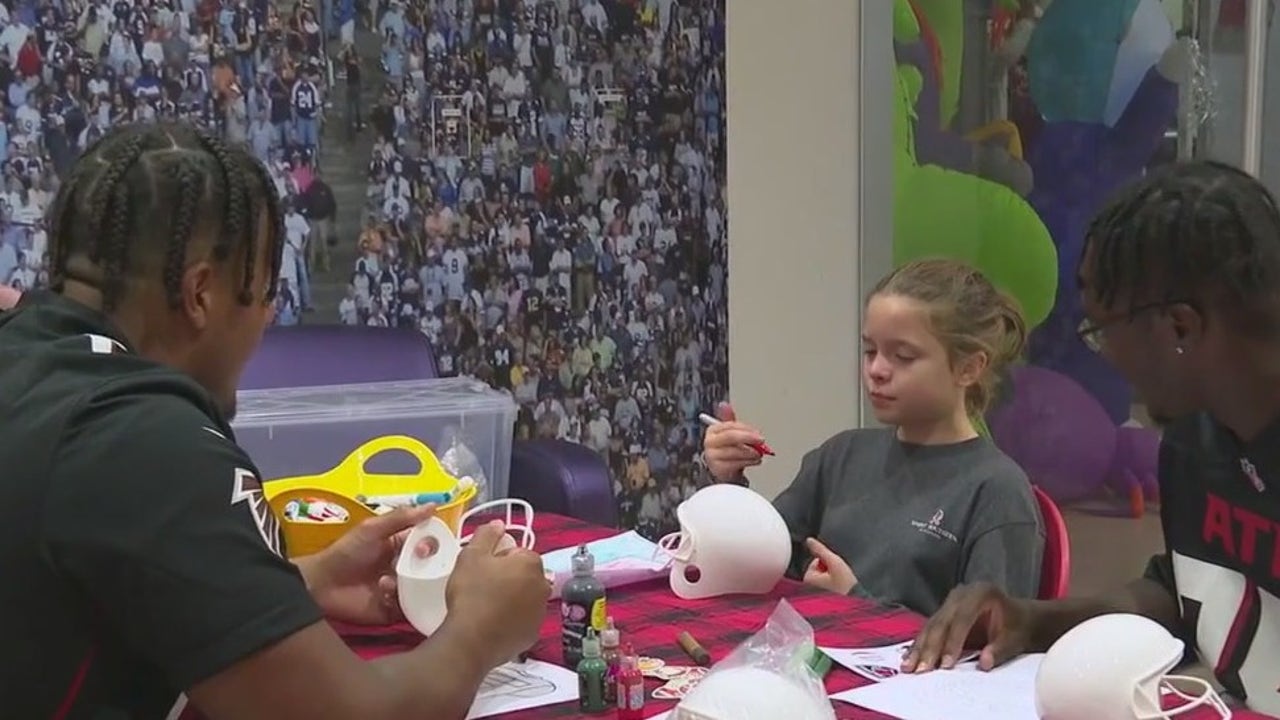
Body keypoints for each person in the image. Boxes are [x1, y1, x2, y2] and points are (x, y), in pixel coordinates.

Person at [0, 122, 550, 719]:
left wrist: (295, 583)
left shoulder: (29, 363)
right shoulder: (146, 437)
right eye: (262, 292)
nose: (265, 318)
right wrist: (480, 629)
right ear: (201, 294)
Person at [902, 160, 1280, 716]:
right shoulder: (1194, 445)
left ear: (1180, 327)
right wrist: (1031, 619)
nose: (1108, 357)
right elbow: (1180, 593)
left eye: (1104, 331)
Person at [703, 258, 1044, 615]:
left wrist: (854, 602)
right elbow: (761, 560)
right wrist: (728, 483)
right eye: (870, 351)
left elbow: (987, 644)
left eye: (903, 356)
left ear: (969, 368)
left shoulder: (996, 491)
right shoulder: (841, 455)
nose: (877, 370)